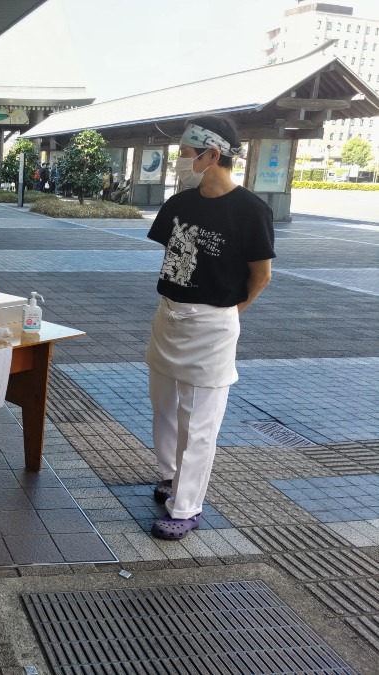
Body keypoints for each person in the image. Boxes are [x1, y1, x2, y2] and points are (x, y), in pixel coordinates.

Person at [145, 116, 274, 540]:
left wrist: (234, 310)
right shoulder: (179, 204)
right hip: (170, 315)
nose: (181, 161)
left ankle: (186, 507)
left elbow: (261, 275)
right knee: (163, 406)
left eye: (185, 153)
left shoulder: (252, 210)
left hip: (214, 323)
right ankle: (170, 477)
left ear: (212, 155)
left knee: (199, 421)